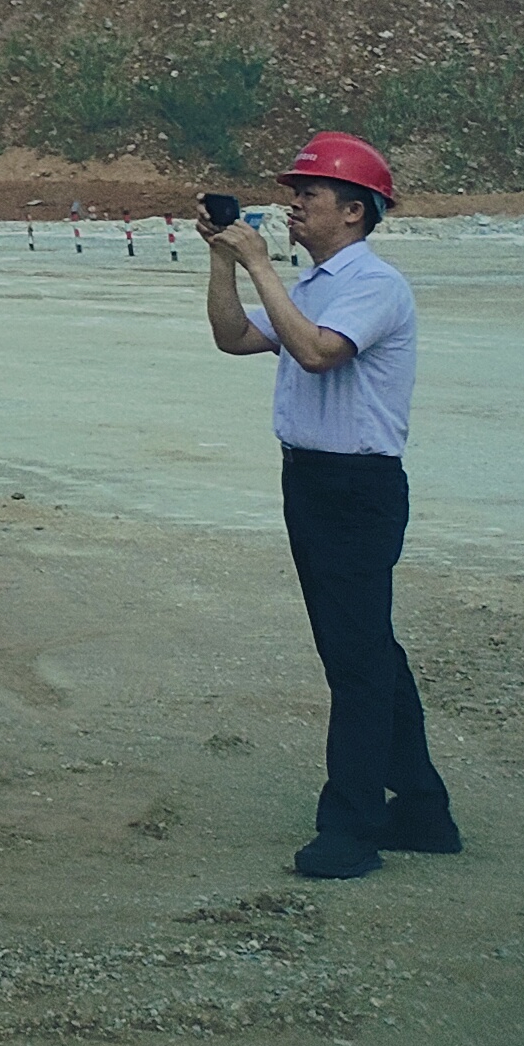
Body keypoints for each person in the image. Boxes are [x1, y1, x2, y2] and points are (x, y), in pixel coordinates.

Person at [206, 130, 461, 881]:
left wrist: (260, 266)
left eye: (308, 194)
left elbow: (318, 352)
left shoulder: (375, 285)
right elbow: (232, 338)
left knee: (356, 662)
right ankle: (423, 810)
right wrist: (224, 260)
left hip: (356, 487)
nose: (292, 206)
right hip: (313, 480)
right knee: (365, 649)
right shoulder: (313, 284)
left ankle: (350, 827)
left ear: (354, 210)